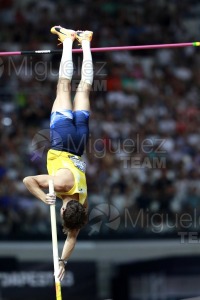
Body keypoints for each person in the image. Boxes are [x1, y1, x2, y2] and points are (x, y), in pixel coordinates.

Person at [23, 26, 93, 281]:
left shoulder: (83, 202)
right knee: (64, 86)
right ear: (63, 211)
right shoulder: (60, 186)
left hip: (79, 143)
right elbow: (28, 181)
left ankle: (85, 42)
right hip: (62, 138)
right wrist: (43, 198)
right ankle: (67, 42)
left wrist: (63, 261)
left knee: (83, 90)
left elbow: (73, 235)